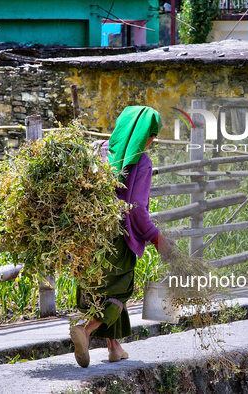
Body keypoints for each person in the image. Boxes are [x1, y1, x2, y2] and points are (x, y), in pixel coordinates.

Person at [70, 106, 173, 368]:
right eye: (152, 137)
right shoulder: (142, 161)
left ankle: (115, 348)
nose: (152, 142)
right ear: (145, 135)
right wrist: (155, 237)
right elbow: (136, 209)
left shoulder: (98, 150)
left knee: (98, 287)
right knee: (121, 289)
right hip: (119, 236)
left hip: (89, 233)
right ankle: (86, 329)